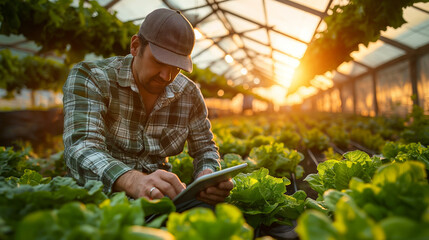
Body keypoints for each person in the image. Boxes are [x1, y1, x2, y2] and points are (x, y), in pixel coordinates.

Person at [62, 8, 233, 207]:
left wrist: (208, 174)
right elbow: (81, 147)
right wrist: (133, 181)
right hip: (97, 198)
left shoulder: (189, 93)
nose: (166, 76)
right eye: (160, 62)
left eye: (176, 68)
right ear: (135, 46)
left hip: (160, 199)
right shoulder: (91, 77)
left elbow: (205, 148)